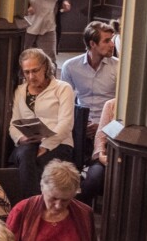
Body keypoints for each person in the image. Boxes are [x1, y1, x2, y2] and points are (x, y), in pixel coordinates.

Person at [7, 160, 99, 241]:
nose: (58, 205)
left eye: (65, 200)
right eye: (53, 198)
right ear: (42, 187)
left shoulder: (84, 213)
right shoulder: (22, 210)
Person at [9, 48, 75, 199]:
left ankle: (31, 205)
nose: (31, 76)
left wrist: (46, 145)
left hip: (59, 142)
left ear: (45, 67)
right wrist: (20, 138)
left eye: (35, 71)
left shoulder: (62, 88)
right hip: (29, 142)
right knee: (26, 155)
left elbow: (66, 123)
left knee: (36, 162)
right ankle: (33, 206)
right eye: (27, 72)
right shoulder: (20, 91)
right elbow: (13, 123)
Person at [60, 20, 118, 136]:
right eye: (107, 41)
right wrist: (79, 124)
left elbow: (122, 109)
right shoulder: (70, 66)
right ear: (92, 44)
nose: (112, 44)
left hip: (110, 125)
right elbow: (64, 103)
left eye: (112, 40)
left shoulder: (119, 67)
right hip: (80, 123)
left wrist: (102, 125)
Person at [83, 96, 116, 201]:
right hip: (105, 155)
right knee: (93, 180)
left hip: (125, 159)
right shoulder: (111, 104)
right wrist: (101, 155)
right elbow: (100, 136)